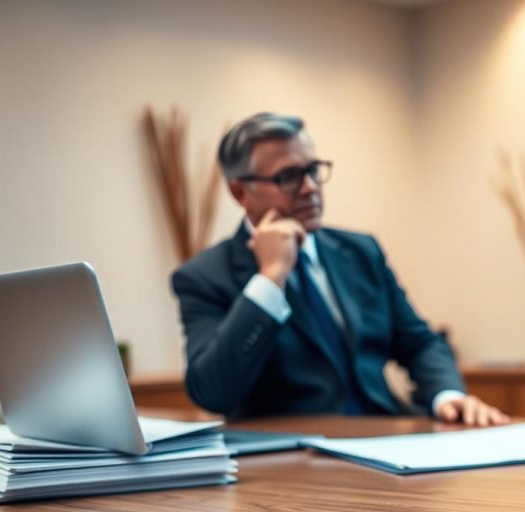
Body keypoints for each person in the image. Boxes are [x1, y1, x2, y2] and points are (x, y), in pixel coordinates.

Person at [171, 112, 507, 425]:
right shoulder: (204, 276)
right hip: (291, 465)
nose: (310, 188)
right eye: (288, 177)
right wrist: (270, 277)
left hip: (386, 442)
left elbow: (418, 342)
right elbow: (213, 392)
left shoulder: (360, 251)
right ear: (241, 192)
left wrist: (448, 395)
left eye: (313, 170)